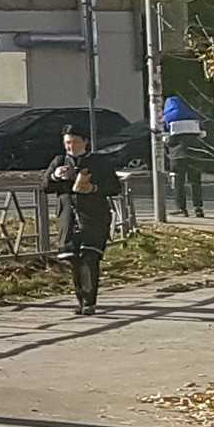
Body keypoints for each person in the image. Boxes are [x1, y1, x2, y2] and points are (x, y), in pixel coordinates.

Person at [44, 126, 124, 312]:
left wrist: (93, 188)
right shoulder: (59, 161)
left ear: (85, 142)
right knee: (74, 259)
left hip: (94, 215)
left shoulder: (99, 162)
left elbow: (114, 187)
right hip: (68, 216)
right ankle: (81, 299)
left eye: (74, 142)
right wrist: (56, 176)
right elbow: (44, 186)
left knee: (90, 256)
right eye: (67, 143)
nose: (70, 147)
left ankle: (89, 302)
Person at [167, 95, 209, 219]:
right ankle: (198, 208)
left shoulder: (168, 118)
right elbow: (203, 134)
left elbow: (165, 138)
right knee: (195, 181)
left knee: (179, 183)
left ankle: (181, 208)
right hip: (194, 153)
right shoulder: (194, 116)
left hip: (177, 155)